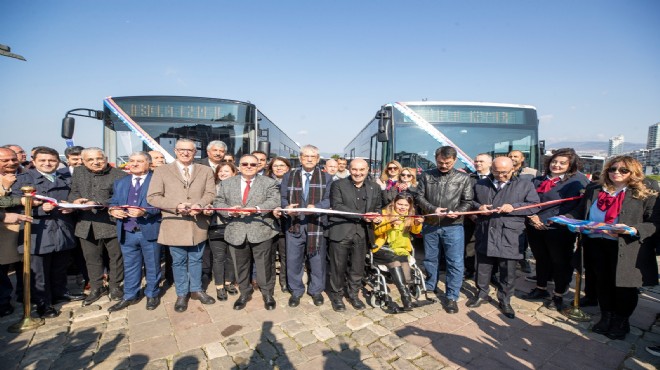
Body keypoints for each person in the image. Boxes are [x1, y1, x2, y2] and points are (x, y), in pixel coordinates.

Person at [566, 155, 658, 340]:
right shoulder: (595, 189)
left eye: (623, 170)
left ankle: (621, 321)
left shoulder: (644, 193)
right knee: (602, 282)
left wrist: (633, 229)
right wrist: (568, 218)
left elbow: (654, 222)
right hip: (595, 243)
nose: (616, 173)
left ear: (634, 172)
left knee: (624, 287)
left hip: (627, 247)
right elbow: (580, 210)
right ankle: (606, 316)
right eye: (612, 169)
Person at [12, 147, 85, 318]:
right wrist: (39, 209)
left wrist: (72, 206)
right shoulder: (23, 180)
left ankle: (60, 292)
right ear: (34, 161)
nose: (47, 163)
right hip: (38, 231)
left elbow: (69, 198)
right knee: (39, 271)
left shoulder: (63, 178)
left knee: (59, 266)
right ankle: (43, 303)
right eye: (43, 160)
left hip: (62, 228)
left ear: (58, 162)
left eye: (51, 160)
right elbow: (14, 206)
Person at [147, 139, 217, 313]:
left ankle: (196, 289)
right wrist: (176, 206)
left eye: (190, 150)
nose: (185, 153)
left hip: (197, 223)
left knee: (197, 259)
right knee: (178, 261)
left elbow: (210, 193)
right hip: (174, 223)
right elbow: (153, 197)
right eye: (182, 150)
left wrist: (199, 205)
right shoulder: (162, 171)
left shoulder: (205, 170)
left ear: (195, 152)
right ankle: (181, 293)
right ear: (175, 151)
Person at [467, 156, 540, 319]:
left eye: (505, 173)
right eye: (497, 172)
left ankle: (505, 300)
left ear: (513, 169)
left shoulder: (524, 184)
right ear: (491, 169)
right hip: (486, 232)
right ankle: (482, 294)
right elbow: (470, 202)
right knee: (483, 267)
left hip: (510, 235)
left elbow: (535, 205)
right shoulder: (480, 184)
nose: (501, 176)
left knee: (508, 271)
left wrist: (514, 207)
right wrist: (479, 207)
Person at [522, 149, 589, 311]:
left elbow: (576, 206)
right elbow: (527, 200)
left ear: (571, 165)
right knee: (541, 258)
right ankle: (541, 288)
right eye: (554, 161)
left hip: (559, 229)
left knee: (560, 262)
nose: (556, 165)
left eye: (562, 163)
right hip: (535, 225)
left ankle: (558, 294)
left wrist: (557, 220)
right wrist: (533, 217)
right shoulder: (538, 180)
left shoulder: (578, 181)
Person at [214, 154, 281, 310]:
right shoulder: (227, 183)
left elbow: (274, 201)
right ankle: (244, 292)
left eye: (253, 164)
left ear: (259, 166)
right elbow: (218, 202)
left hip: (261, 229)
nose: (249, 166)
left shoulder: (269, 183)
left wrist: (256, 209)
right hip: (236, 230)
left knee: (264, 266)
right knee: (240, 266)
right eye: (245, 164)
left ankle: (267, 294)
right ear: (239, 165)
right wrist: (229, 211)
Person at [414, 146, 473, 314]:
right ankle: (430, 285)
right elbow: (419, 197)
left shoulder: (463, 178)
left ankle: (452, 296)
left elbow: (468, 200)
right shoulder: (426, 175)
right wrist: (432, 208)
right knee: (430, 259)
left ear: (454, 161)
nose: (444, 166)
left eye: (447, 163)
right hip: (431, 223)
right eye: (440, 162)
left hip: (453, 227)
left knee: (454, 262)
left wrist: (459, 212)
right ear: (436, 159)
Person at [69, 147, 128, 305]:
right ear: (83, 161)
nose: (96, 162)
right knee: (91, 258)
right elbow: (74, 191)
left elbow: (121, 198)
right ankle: (96, 287)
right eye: (90, 160)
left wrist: (99, 204)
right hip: (85, 224)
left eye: (99, 158)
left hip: (110, 222)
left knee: (116, 257)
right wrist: (74, 201)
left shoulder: (120, 175)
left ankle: (115, 286)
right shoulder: (79, 172)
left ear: (106, 157)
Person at [278, 145, 333, 308]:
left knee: (317, 261)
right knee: (293, 260)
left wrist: (317, 206)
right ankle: (296, 291)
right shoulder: (289, 175)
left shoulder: (327, 178)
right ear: (300, 158)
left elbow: (330, 199)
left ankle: (316, 291)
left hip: (316, 225)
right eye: (306, 156)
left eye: (313, 156)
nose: (309, 159)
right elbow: (283, 197)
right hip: (294, 225)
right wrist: (287, 208)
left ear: (318, 159)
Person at [107, 152, 162, 312]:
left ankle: (152, 293)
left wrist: (145, 212)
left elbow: (162, 204)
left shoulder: (157, 181)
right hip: (127, 231)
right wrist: (113, 210)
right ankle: (130, 295)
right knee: (130, 265)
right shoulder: (121, 182)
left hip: (149, 229)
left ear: (149, 163)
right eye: (132, 161)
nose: (134, 164)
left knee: (152, 265)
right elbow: (114, 201)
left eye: (139, 161)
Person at [327, 158, 382, 312]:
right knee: (338, 268)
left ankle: (354, 295)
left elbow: (378, 207)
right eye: (355, 170)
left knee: (357, 268)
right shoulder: (338, 185)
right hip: (341, 232)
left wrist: (377, 216)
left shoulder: (375, 187)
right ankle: (337, 297)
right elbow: (337, 206)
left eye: (361, 170)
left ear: (367, 170)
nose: (358, 173)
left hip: (363, 234)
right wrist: (362, 215)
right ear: (349, 169)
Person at [372, 193, 424, 311]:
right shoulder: (385, 213)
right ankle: (406, 299)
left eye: (405, 205)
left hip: (400, 248)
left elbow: (416, 232)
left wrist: (417, 223)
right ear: (394, 203)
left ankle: (406, 292)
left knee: (406, 276)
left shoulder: (409, 216)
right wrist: (390, 224)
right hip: (382, 248)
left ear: (410, 207)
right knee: (394, 261)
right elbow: (376, 231)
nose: (402, 207)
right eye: (399, 204)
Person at [204, 162, 238, 301]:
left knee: (231, 257)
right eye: (220, 171)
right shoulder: (212, 189)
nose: (223, 173)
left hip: (235, 227)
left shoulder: (239, 188)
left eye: (226, 171)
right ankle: (219, 286)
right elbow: (207, 203)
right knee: (218, 258)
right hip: (216, 227)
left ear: (234, 173)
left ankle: (229, 282)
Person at [0, 147, 24, 311]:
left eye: (13, 159)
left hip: (24, 226)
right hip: (4, 230)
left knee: (25, 266)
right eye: (5, 160)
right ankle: (4, 301)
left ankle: (24, 294)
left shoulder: (25, 174)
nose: (11, 163)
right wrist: (4, 188)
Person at [464, 153, 493, 279]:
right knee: (470, 245)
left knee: (489, 246)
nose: (477, 163)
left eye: (481, 161)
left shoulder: (495, 178)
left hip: (491, 219)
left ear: (490, 164)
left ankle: (490, 274)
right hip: (471, 218)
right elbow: (465, 198)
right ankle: (469, 270)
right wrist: (472, 214)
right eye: (476, 161)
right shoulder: (469, 178)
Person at [266, 156, 292, 292]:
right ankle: (269, 283)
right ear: (271, 168)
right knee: (269, 255)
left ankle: (284, 281)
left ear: (288, 168)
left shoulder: (293, 182)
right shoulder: (265, 182)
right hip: (268, 223)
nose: (279, 168)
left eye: (282, 165)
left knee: (285, 255)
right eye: (275, 166)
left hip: (286, 224)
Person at [508, 150, 536, 274]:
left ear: (522, 158)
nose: (513, 158)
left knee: (523, 238)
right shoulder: (502, 170)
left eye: (516, 156)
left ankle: (522, 259)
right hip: (508, 209)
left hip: (524, 209)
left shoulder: (531, 173)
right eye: (510, 156)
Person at [0, 204, 31, 317]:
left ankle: (23, 293)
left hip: (16, 222)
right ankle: (3, 301)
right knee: (2, 267)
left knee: (21, 261)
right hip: (5, 223)